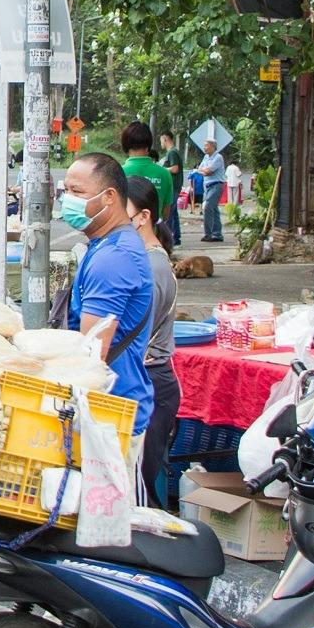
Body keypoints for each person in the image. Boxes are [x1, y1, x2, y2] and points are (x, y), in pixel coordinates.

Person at [62, 154, 157, 444]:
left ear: (109, 197)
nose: (68, 200)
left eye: (77, 192)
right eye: (65, 191)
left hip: (110, 415)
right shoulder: (107, 244)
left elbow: (92, 355)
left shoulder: (113, 258)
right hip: (112, 409)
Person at [120, 173, 183, 507]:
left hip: (151, 382)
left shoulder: (153, 268)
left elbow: (136, 334)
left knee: (138, 489)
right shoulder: (140, 260)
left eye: (120, 213)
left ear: (143, 217)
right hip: (143, 380)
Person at [119, 121, 179, 251]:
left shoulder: (118, 173)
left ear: (125, 144)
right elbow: (166, 213)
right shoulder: (164, 174)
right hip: (154, 238)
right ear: (148, 144)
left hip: (124, 239)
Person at [195, 141, 227, 244]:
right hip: (208, 186)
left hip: (216, 185)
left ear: (212, 146)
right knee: (214, 209)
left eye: (206, 146)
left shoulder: (218, 157)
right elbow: (199, 169)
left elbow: (209, 172)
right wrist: (203, 171)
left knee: (208, 207)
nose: (204, 148)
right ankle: (217, 234)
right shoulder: (206, 157)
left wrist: (203, 171)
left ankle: (208, 234)